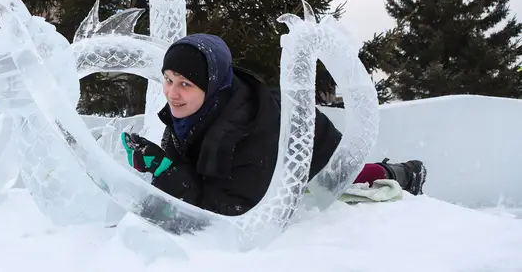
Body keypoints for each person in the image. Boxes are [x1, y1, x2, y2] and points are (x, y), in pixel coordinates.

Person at [121, 33, 427, 219]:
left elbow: (232, 208)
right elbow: (198, 170)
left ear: (211, 86)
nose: (172, 93)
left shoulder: (248, 134)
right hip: (270, 151)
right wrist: (158, 163)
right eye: (169, 79)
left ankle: (403, 173)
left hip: (312, 149)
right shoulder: (189, 114)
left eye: (185, 83)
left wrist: (168, 174)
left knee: (344, 178)